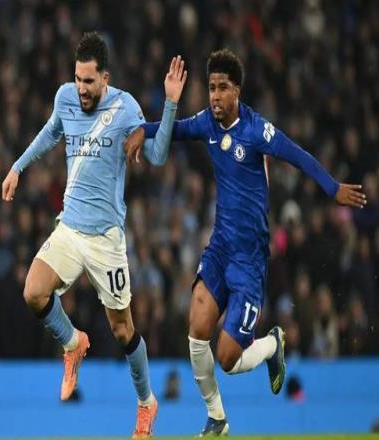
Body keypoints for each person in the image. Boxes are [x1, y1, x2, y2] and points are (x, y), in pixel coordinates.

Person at [125, 48, 367, 437]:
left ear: (237, 90)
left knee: (227, 358)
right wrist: (143, 130)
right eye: (211, 88)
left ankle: (272, 345)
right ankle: (217, 418)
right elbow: (177, 129)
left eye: (223, 88)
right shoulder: (207, 123)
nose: (215, 96)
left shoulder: (256, 130)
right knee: (196, 326)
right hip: (220, 247)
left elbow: (298, 156)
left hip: (250, 259)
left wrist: (332, 187)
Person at [1, 32, 187, 438]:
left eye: (88, 81)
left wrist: (170, 104)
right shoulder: (65, 97)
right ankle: (73, 343)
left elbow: (156, 156)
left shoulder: (126, 108)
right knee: (33, 291)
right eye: (77, 79)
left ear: (105, 78)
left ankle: (146, 402)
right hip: (70, 227)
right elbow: (50, 132)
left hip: (106, 239)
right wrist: (17, 167)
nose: (81, 89)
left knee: (123, 330)